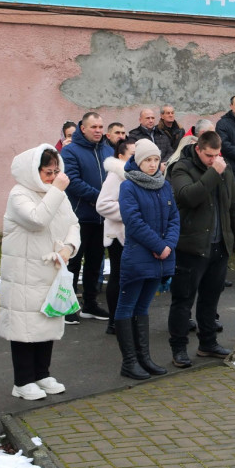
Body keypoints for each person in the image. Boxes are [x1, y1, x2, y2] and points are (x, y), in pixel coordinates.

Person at [0, 145, 80, 400]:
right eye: (48, 172)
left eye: (56, 171)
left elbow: (73, 223)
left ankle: (42, 374)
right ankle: (22, 381)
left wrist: (69, 247)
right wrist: (56, 189)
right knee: (25, 327)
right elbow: (37, 219)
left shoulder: (57, 194)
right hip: (24, 273)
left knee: (47, 321)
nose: (54, 177)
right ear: (34, 172)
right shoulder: (19, 194)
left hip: (50, 270)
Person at [166, 130, 235, 368]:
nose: (213, 160)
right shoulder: (181, 168)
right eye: (209, 156)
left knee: (210, 299)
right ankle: (179, 349)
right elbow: (188, 197)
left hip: (219, 245)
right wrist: (214, 173)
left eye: (217, 155)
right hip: (190, 246)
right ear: (198, 149)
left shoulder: (225, 168)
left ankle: (208, 343)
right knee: (183, 300)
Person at [114, 140, 179, 380]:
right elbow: (134, 222)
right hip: (138, 257)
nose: (152, 165)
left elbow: (174, 218)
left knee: (143, 307)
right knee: (127, 306)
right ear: (138, 162)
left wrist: (168, 245)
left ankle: (144, 358)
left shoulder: (164, 186)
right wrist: (158, 245)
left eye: (154, 160)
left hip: (160, 258)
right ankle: (129, 362)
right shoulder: (129, 187)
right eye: (146, 160)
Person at [61, 111, 114, 322]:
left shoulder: (108, 151)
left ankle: (91, 304)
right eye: (94, 127)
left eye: (101, 127)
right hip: (78, 217)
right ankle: (67, 306)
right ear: (83, 128)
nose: (99, 131)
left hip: (102, 218)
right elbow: (72, 181)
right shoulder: (70, 152)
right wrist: (99, 197)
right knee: (73, 263)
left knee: (95, 262)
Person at [95, 138, 135, 335]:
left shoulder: (137, 174)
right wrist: (130, 212)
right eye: (131, 156)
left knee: (131, 278)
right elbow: (102, 205)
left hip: (134, 235)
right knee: (118, 277)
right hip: (118, 235)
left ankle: (127, 318)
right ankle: (114, 321)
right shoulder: (116, 175)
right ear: (121, 157)